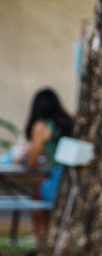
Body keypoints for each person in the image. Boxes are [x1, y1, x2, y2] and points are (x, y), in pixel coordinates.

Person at [21, 88, 74, 241]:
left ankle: (41, 242)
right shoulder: (67, 122)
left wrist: (28, 156)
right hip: (73, 177)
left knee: (37, 203)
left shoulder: (41, 126)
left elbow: (31, 163)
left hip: (58, 178)